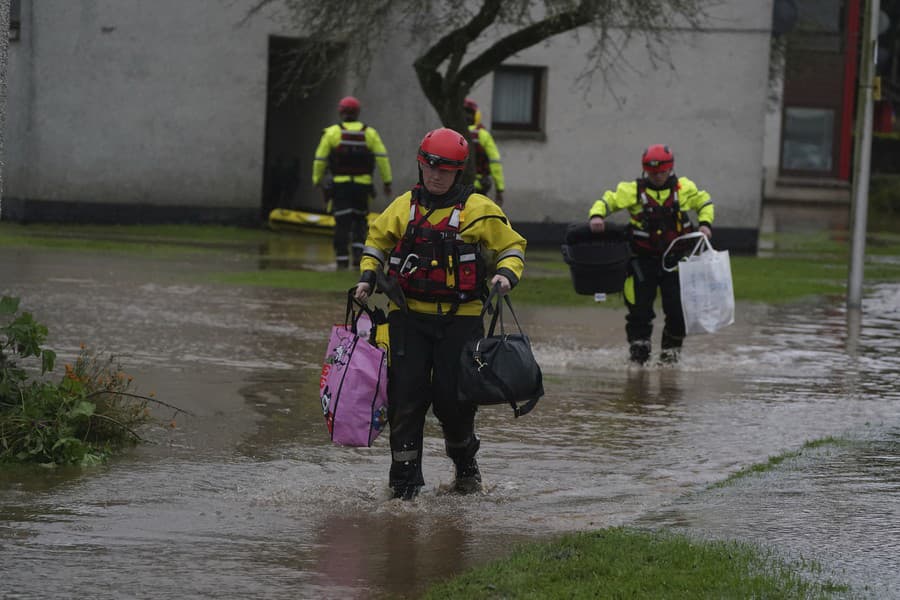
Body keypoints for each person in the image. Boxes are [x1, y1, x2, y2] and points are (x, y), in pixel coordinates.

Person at [354, 127, 527, 500]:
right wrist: (368, 275)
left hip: (460, 321)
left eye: (444, 169)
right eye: (430, 166)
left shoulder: (479, 210)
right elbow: (377, 240)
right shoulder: (403, 206)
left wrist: (505, 273)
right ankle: (403, 486)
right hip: (408, 319)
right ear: (421, 165)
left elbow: (512, 245)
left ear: (457, 172)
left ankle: (466, 471)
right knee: (406, 399)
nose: (435, 174)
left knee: (454, 400)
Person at [588, 144, 714, 365]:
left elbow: (705, 202)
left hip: (675, 263)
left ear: (670, 169)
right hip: (641, 261)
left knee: (677, 312)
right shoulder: (632, 190)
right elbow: (608, 200)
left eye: (661, 172)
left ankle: (669, 358)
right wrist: (597, 216)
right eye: (652, 173)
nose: (657, 177)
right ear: (645, 170)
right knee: (639, 311)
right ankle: (639, 357)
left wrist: (705, 224)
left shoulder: (684, 189)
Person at [313, 96, 393, 269]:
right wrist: (387, 181)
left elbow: (320, 159)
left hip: (340, 186)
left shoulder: (332, 133)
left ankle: (342, 259)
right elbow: (382, 159)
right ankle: (358, 257)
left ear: (341, 112)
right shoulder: (370, 133)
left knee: (342, 222)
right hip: (362, 186)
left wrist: (316, 180)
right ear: (358, 113)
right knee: (359, 220)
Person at [463, 98, 506, 206]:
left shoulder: (449, 132)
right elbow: (494, 162)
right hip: (479, 187)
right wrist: (499, 189)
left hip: (455, 186)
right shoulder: (482, 135)